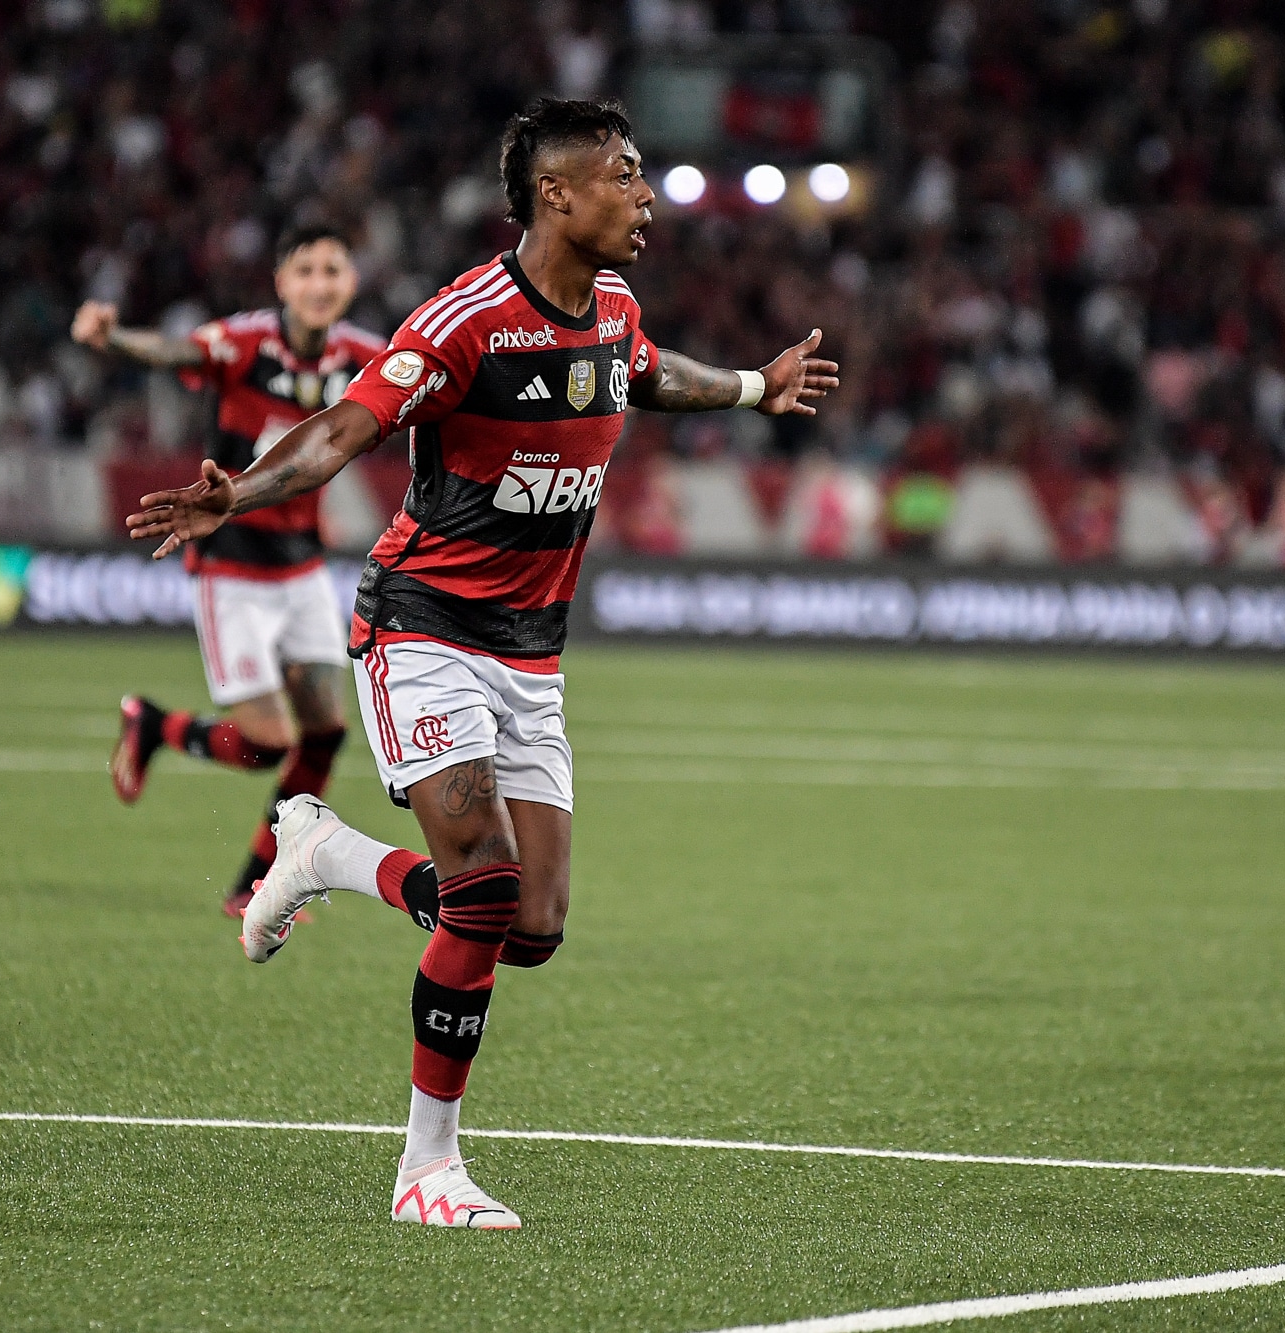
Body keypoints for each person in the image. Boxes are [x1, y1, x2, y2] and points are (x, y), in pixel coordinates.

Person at [125, 98, 838, 1229]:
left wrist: (753, 386)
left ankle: (322, 849)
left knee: (532, 926)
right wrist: (240, 491)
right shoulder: (463, 322)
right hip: (423, 625)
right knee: (486, 887)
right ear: (555, 193)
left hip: (530, 654)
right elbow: (345, 429)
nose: (645, 194)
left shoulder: (611, 307)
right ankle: (427, 1168)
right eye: (625, 173)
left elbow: (644, 374)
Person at [74, 225, 385, 918]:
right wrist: (115, 337)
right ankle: (154, 723)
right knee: (265, 744)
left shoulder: (364, 355)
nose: (320, 281)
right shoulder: (244, 344)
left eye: (333, 268)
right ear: (281, 283)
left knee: (326, 732)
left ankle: (255, 882)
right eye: (305, 268)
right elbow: (177, 349)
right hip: (232, 567)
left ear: (350, 284)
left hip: (302, 564)